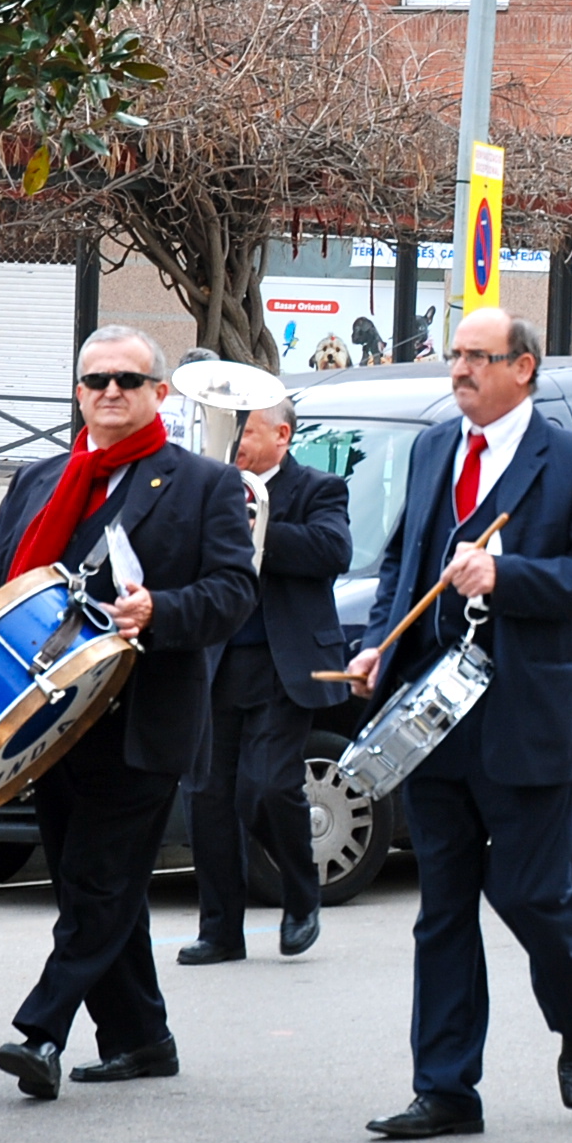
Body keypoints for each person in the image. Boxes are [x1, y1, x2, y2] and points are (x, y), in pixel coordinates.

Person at [345, 309, 572, 1135]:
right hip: (431, 715)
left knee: (533, 896)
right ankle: (444, 1090)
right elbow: (402, 562)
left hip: (527, 713)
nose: (459, 369)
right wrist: (377, 645)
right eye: (456, 355)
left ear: (523, 367)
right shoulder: (434, 447)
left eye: (477, 356)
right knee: (441, 908)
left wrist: (508, 576)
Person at [0, 327, 256, 1100]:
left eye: (128, 379)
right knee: (92, 885)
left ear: (158, 391)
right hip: (47, 719)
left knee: (98, 883)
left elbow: (233, 593)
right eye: (97, 380)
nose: (111, 391)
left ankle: (41, 1032)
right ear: (79, 393)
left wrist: (162, 609)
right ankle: (141, 1037)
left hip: (143, 719)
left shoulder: (204, 484)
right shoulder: (40, 478)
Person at [177, 399, 351, 965]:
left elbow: (333, 550)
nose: (235, 442)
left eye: (245, 430)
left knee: (268, 789)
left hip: (283, 664)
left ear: (282, 435)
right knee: (207, 801)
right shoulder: (211, 489)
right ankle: (220, 930)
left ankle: (301, 897)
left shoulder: (319, 488)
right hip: (217, 662)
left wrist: (257, 528)